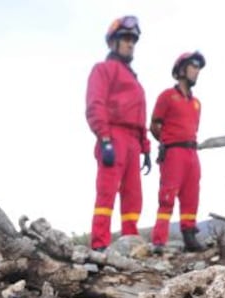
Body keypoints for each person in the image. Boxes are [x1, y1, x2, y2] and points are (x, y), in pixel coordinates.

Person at [86, 15, 151, 252]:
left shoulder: (134, 79)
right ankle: (100, 243)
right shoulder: (104, 69)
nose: (130, 44)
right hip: (113, 135)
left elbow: (141, 114)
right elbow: (95, 104)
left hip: (133, 140)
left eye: (133, 40)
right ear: (113, 42)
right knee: (107, 191)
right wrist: (104, 138)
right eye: (125, 39)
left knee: (133, 194)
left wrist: (145, 147)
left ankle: (130, 241)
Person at [150, 51, 206, 253]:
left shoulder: (196, 103)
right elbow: (155, 124)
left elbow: (194, 127)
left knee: (192, 195)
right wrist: (166, 142)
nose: (197, 71)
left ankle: (189, 237)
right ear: (182, 69)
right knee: (167, 195)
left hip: (192, 152)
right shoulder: (167, 96)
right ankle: (159, 240)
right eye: (194, 66)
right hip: (174, 153)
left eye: (199, 68)